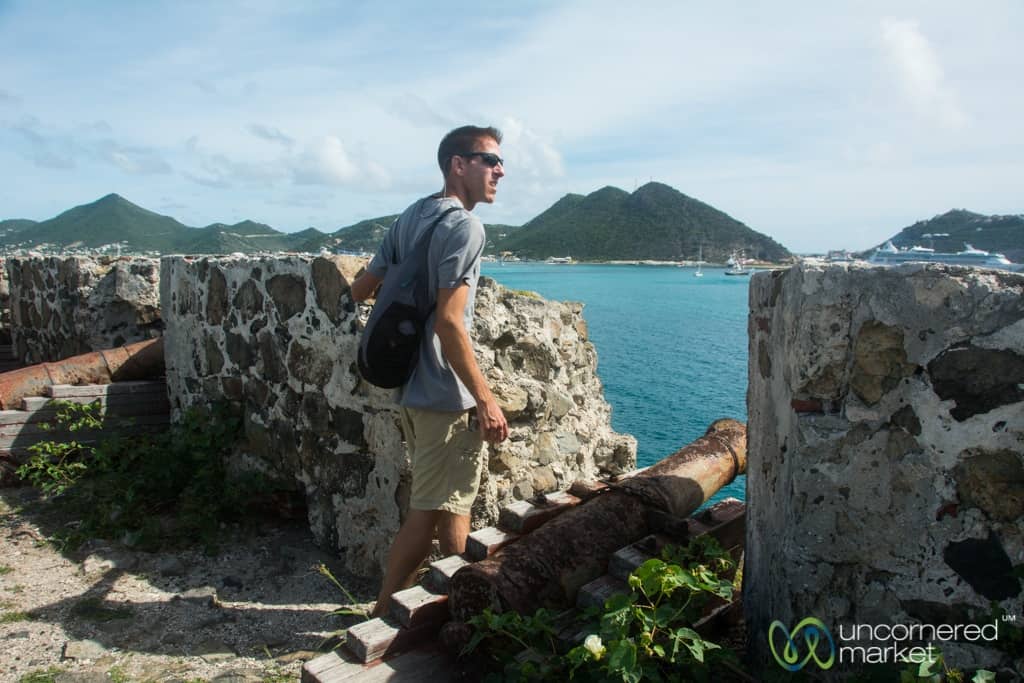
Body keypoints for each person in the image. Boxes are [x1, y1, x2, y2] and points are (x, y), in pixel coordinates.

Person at [350, 125, 510, 618]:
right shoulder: (466, 227)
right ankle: (382, 615)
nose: (500, 170)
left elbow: (361, 288)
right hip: (443, 393)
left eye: (501, 162)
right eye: (489, 160)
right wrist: (485, 398)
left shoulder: (411, 215)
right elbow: (448, 321)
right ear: (457, 165)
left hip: (408, 388)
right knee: (425, 512)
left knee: (451, 503)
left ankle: (456, 602)